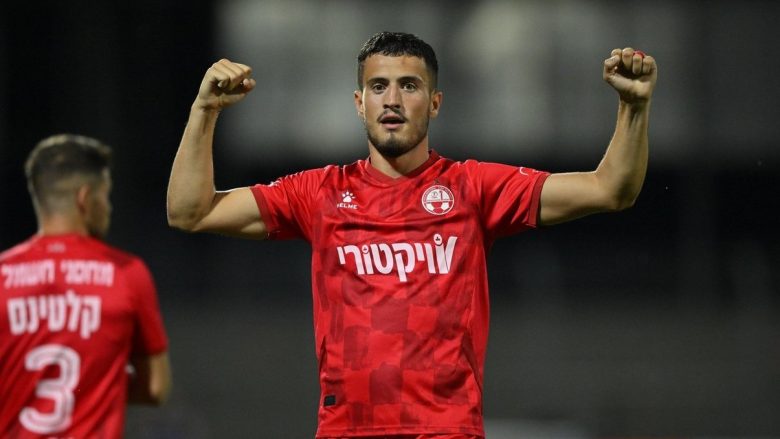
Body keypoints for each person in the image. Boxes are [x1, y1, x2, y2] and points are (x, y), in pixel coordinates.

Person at [167, 32, 657, 438]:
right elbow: (189, 212)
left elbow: (610, 189)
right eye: (378, 86)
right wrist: (204, 109)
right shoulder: (320, 193)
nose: (393, 100)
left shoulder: (472, 188)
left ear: (435, 102)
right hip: (347, 429)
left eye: (409, 85)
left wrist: (633, 107)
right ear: (359, 103)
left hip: (445, 430)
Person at [1, 134, 172, 438]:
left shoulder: (3, 274)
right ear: (85, 197)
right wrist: (98, 380)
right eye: (106, 195)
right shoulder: (126, 273)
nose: (108, 207)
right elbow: (156, 387)